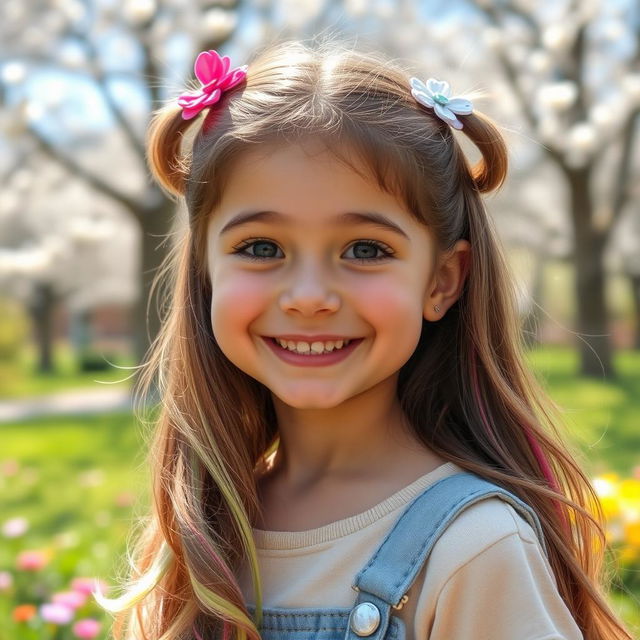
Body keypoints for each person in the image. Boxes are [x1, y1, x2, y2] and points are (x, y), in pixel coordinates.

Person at [97, 38, 634, 640]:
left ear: (441, 281)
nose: (308, 295)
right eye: (260, 248)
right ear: (205, 269)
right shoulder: (201, 526)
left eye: (366, 250)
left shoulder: (472, 550)